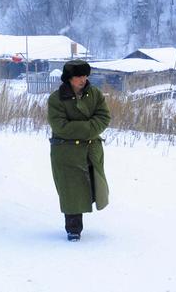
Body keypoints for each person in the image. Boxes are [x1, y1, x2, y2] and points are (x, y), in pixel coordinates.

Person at [47, 60, 111, 242]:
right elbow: (60, 126)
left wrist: (87, 129)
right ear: (69, 78)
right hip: (66, 152)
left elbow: (104, 116)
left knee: (91, 187)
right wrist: (90, 128)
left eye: (85, 76)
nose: (83, 80)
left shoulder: (95, 94)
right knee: (71, 191)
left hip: (91, 150)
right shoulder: (56, 99)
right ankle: (73, 228)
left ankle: (81, 215)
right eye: (78, 76)